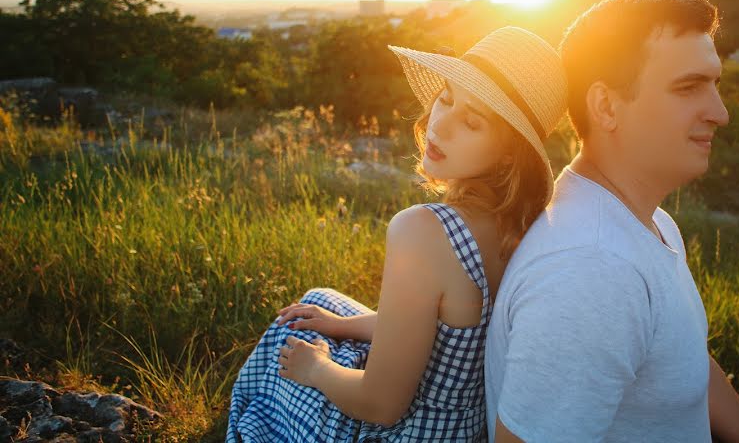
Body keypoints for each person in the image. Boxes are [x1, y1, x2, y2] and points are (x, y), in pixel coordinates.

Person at [485, 0, 739, 443]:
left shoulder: (644, 220)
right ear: (607, 107)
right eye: (688, 87)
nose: (721, 113)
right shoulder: (591, 272)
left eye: (716, 85)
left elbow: (687, 361)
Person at [227, 26, 567, 442]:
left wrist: (314, 368)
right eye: (445, 98)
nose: (441, 125)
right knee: (321, 303)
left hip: (404, 432)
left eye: (472, 121)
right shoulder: (524, 223)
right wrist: (343, 325)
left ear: (510, 152)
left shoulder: (423, 230)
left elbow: (381, 405)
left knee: (288, 341)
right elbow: (446, 334)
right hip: (466, 429)